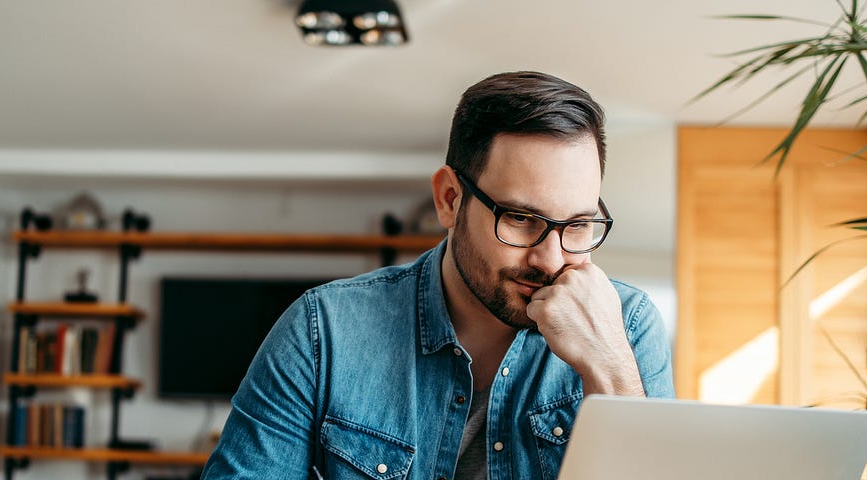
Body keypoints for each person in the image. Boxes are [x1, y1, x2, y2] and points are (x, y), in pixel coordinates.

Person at [201, 71, 675, 480]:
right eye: (520, 219)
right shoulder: (322, 331)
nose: (551, 260)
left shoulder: (628, 327)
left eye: (577, 225)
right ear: (450, 199)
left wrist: (611, 370)